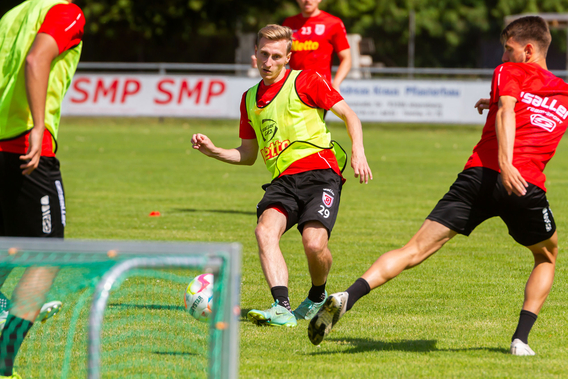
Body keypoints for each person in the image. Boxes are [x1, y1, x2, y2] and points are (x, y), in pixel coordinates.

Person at [308, 16, 564, 356]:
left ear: (528, 50)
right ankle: (520, 340)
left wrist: (503, 157)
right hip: (523, 184)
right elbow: (512, 111)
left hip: (480, 177)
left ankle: (347, 297)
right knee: (546, 256)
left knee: (413, 250)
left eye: (508, 48)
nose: (503, 55)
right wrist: (507, 155)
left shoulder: (510, 72)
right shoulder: (561, 91)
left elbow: (508, 111)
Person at [192, 24, 372, 327]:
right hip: (283, 182)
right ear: (255, 54)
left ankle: (317, 294)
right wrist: (214, 151)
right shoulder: (249, 99)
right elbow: (248, 155)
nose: (268, 62)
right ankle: (281, 307)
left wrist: (358, 151)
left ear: (288, 58)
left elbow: (349, 115)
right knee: (264, 231)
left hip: (320, 174)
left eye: (276, 56)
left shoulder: (306, 81)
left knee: (314, 244)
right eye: (263, 54)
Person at [0, 0, 84, 377]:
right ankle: (3, 360)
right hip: (26, 146)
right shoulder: (66, 12)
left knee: (8, 244)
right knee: (47, 254)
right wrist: (37, 124)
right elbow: (37, 61)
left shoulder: (12, 14)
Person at [252, 0, 351, 93]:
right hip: (293, 86)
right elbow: (280, 55)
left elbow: (346, 58)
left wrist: (336, 84)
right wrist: (264, 61)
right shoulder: (289, 23)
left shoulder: (333, 23)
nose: (307, 0)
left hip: (320, 88)